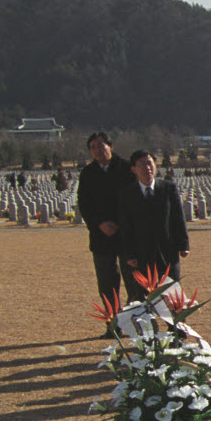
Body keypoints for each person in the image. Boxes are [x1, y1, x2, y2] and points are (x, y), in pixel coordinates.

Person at [116, 149, 189, 300]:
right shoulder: (127, 195)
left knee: (173, 295)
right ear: (134, 169)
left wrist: (183, 245)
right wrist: (129, 254)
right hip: (141, 254)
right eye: (142, 165)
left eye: (150, 163)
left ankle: (175, 324)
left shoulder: (168, 188)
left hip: (167, 251)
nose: (147, 168)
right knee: (143, 297)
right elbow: (126, 227)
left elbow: (178, 218)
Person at [78, 131, 134, 307]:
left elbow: (134, 201)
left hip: (127, 234)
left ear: (110, 146)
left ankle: (138, 323)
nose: (97, 150)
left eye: (101, 145)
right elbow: (84, 205)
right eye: (93, 147)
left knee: (134, 282)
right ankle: (113, 323)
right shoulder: (87, 174)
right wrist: (99, 224)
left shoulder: (127, 168)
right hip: (101, 235)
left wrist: (121, 223)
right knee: (106, 284)